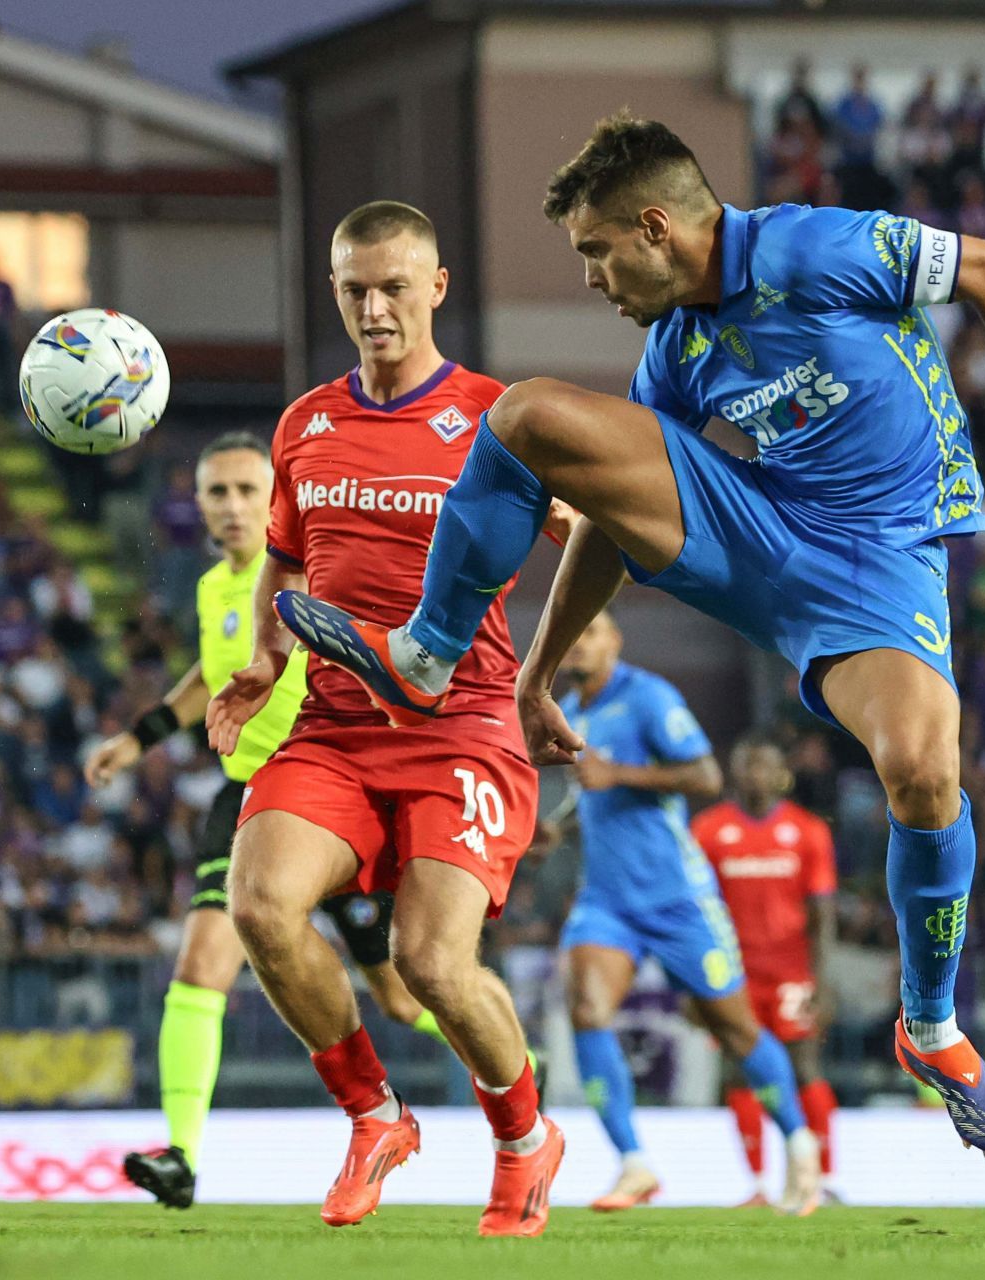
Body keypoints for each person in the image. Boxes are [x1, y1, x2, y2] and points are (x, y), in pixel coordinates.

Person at [277, 113, 985, 1159]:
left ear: (656, 227)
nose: (594, 280)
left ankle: (933, 1027)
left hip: (877, 562)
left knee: (922, 768)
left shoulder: (810, 248)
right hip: (762, 535)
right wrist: (538, 672)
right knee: (527, 417)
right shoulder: (677, 350)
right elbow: (611, 515)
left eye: (598, 253)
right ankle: (427, 650)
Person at [206, 201, 575, 1237]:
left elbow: (584, 533)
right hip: (332, 722)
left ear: (437, 287)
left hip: (462, 725)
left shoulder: (497, 419)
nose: (374, 307)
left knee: (432, 960)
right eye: (355, 289)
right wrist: (260, 661)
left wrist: (544, 670)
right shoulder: (305, 424)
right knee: (263, 905)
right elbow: (285, 558)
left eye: (394, 287)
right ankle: (375, 1115)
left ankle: (523, 1136)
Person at [82, 432, 447, 1209]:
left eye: (249, 490)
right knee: (200, 965)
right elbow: (205, 679)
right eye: (218, 492)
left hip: (340, 794)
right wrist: (136, 739)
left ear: (277, 498)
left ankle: (520, 1069)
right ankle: (180, 1153)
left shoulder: (319, 576)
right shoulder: (218, 589)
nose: (234, 506)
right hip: (248, 796)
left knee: (407, 993)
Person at [552, 613, 821, 1215]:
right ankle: (633, 1162)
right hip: (607, 900)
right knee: (587, 1010)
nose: (579, 643)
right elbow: (594, 795)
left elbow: (705, 774)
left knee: (734, 1029)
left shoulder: (648, 696)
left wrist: (616, 772)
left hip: (678, 900)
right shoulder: (571, 710)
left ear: (615, 641)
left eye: (591, 631)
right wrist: (557, 826)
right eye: (572, 633)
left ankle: (800, 1145)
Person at [691, 736, 840, 1202]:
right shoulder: (708, 831)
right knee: (737, 1074)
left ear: (782, 775)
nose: (755, 773)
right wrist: (691, 981)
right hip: (732, 976)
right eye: (747, 763)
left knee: (804, 1068)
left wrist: (824, 979)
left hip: (792, 973)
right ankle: (755, 1183)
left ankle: (823, 1178)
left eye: (765, 764)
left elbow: (823, 915)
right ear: (735, 773)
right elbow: (693, 913)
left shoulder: (809, 831)